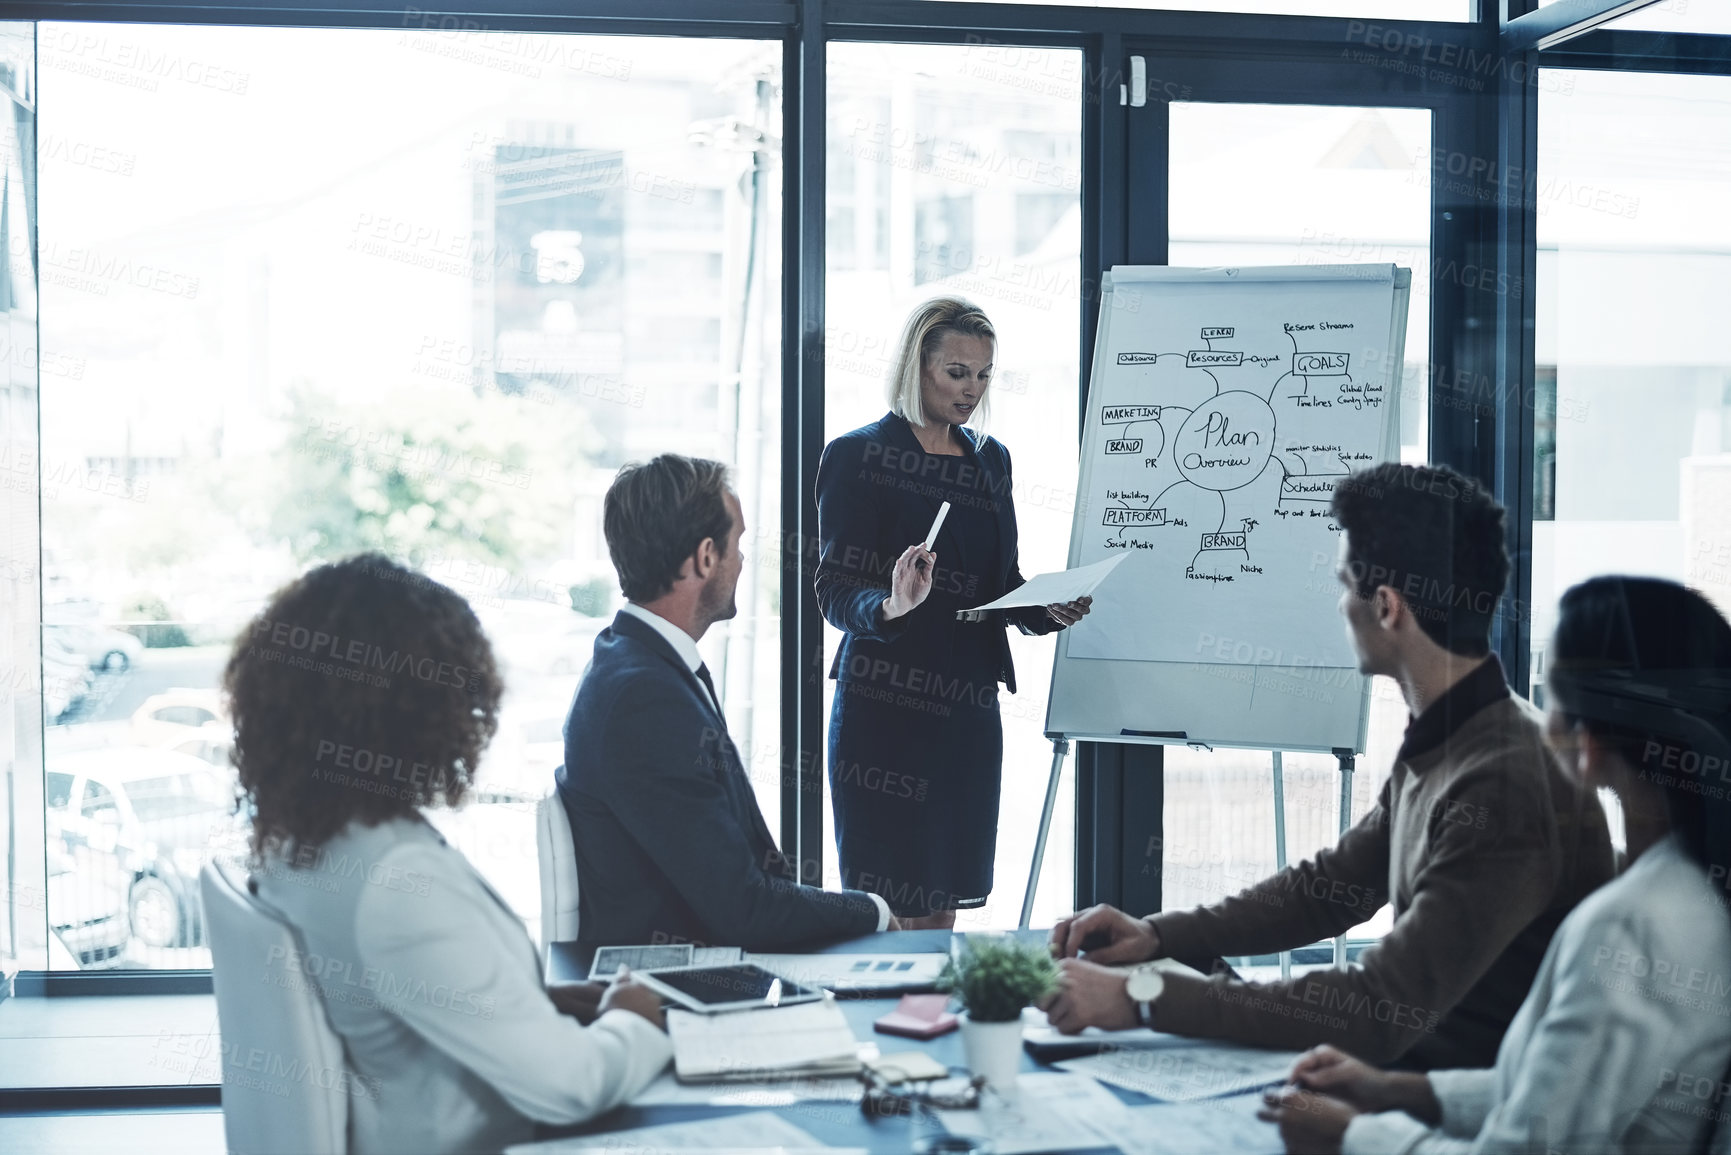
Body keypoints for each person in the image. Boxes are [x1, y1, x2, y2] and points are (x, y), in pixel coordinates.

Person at [1043, 462, 1614, 1069]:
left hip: (1454, 1111)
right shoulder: (1457, 732)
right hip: (1402, 1083)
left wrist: (1143, 996)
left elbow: (1378, 1008)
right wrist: (1159, 936)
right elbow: (1327, 890)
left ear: (1389, 607)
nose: (1341, 606)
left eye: (1346, 586)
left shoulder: (1503, 780)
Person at [1259, 576, 1731, 1154]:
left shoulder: (1631, 926)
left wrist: (1353, 1134)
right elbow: (1560, 1095)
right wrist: (1398, 1092)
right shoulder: (1695, 887)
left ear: (1585, 743)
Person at [235, 555, 670, 1155]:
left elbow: (395, 995)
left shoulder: (303, 844)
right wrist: (635, 1017)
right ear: (421, 709)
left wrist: (530, 1004)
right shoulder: (396, 881)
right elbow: (574, 1086)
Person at [816, 296, 1091, 930]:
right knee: (892, 912)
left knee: (943, 903)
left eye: (984, 373)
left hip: (966, 708)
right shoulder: (857, 456)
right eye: (957, 372)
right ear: (918, 368)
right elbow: (834, 589)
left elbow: (1005, 585)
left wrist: (1045, 608)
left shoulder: (989, 460)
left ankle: (929, 1025)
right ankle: (888, 1023)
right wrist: (891, 602)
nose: (973, 389)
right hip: (887, 708)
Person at [559, 454, 896, 957]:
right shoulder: (643, 699)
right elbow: (745, 911)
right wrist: (875, 911)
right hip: (685, 983)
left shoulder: (633, 660)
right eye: (738, 545)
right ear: (704, 558)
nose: (741, 563)